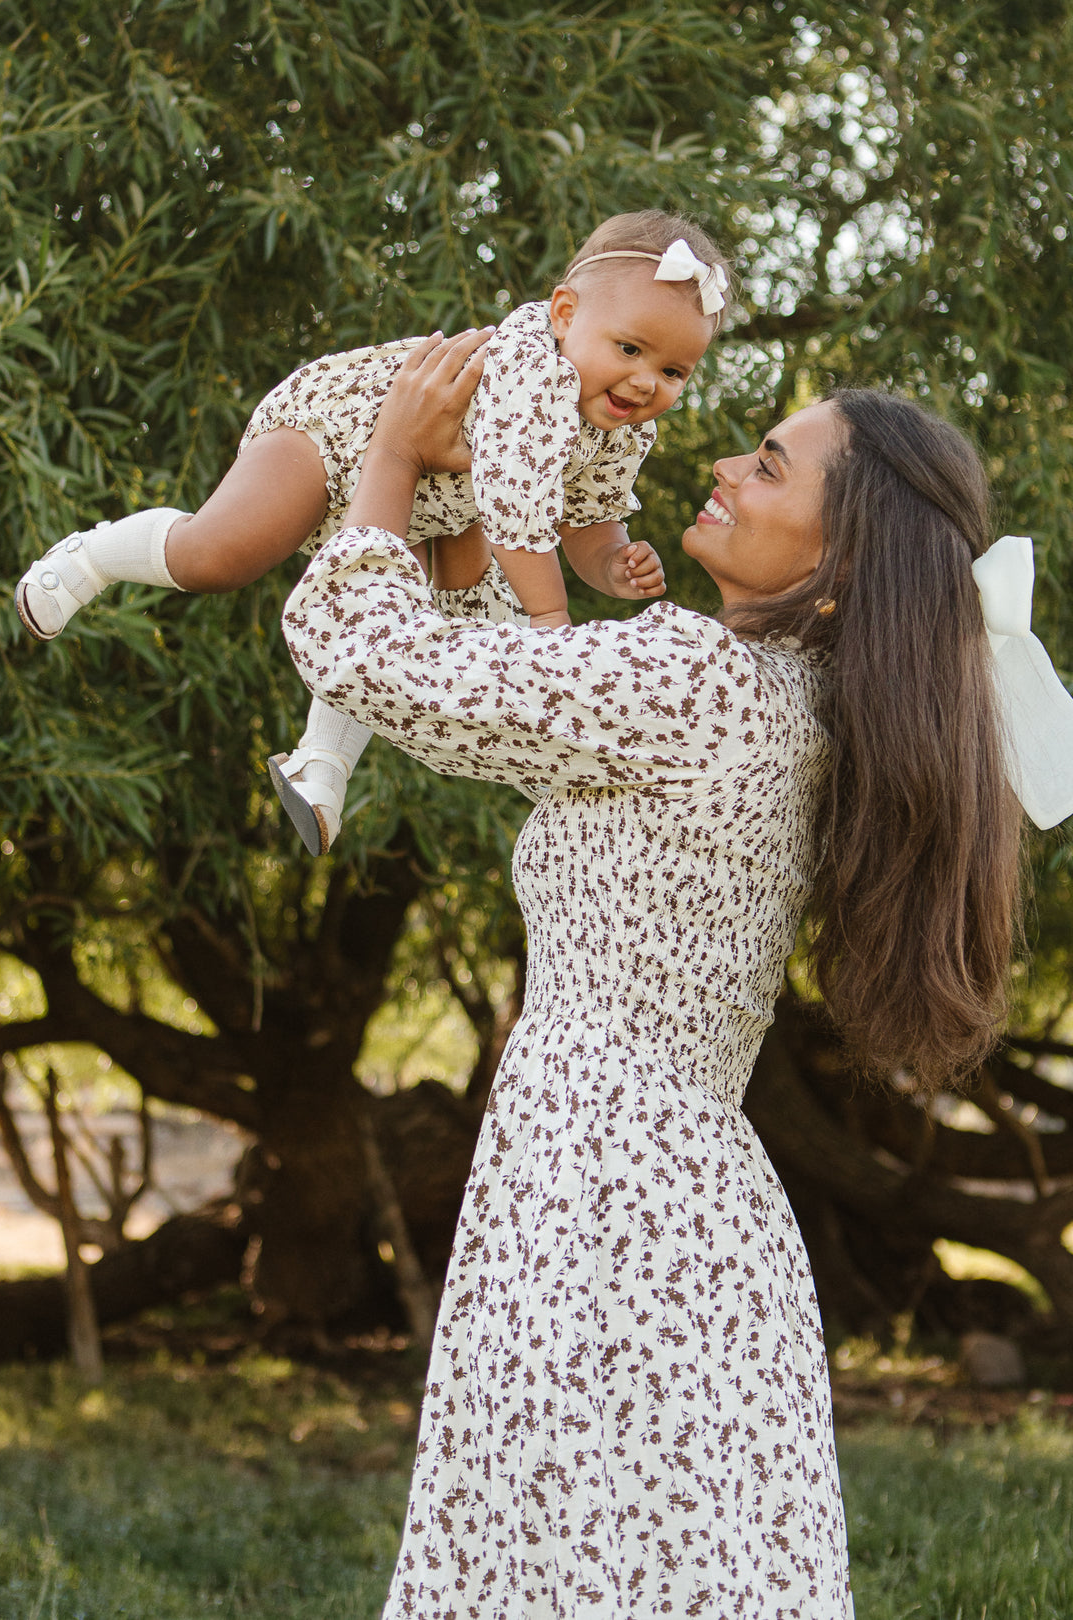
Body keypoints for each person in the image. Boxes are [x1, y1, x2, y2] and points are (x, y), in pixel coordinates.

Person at [281, 323, 1046, 1619]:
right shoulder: (792, 709)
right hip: (684, 1221)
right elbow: (507, 682)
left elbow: (382, 667)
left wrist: (389, 474)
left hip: (598, 1210)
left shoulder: (695, 682)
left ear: (839, 559)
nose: (726, 469)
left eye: (768, 467)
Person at [13, 211, 728, 857]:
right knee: (219, 556)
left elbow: (585, 519)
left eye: (672, 370)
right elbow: (515, 513)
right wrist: (550, 620)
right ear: (565, 314)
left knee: (391, 622)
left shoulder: (623, 429)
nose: (645, 383)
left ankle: (319, 768)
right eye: (630, 348)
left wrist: (610, 564)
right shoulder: (534, 373)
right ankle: (96, 554)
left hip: (420, 499)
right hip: (338, 436)